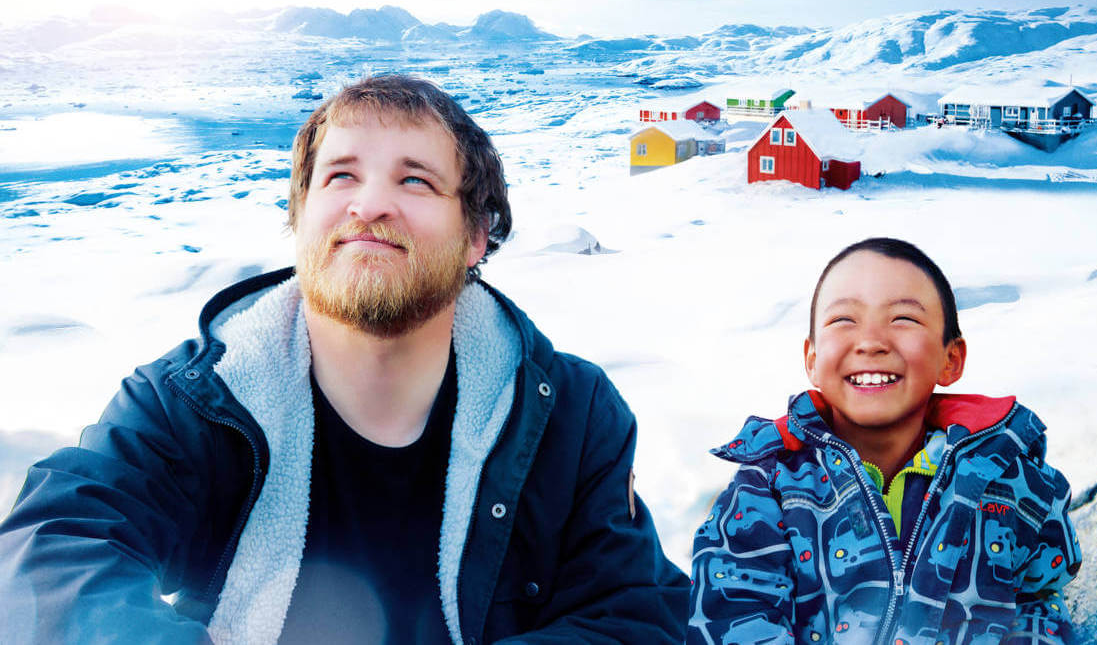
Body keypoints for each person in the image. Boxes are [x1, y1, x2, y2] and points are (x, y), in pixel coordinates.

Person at [0, 75, 689, 644]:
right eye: (340, 175)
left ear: (477, 237)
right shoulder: (194, 401)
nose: (369, 205)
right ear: (301, 219)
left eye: (415, 181)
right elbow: (51, 550)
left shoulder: (572, 413)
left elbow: (634, 617)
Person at [688, 237, 1080, 644]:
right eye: (843, 320)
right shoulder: (768, 490)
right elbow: (732, 616)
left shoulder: (1008, 479)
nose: (871, 341)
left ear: (951, 359)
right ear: (812, 360)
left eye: (903, 319)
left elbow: (1040, 598)